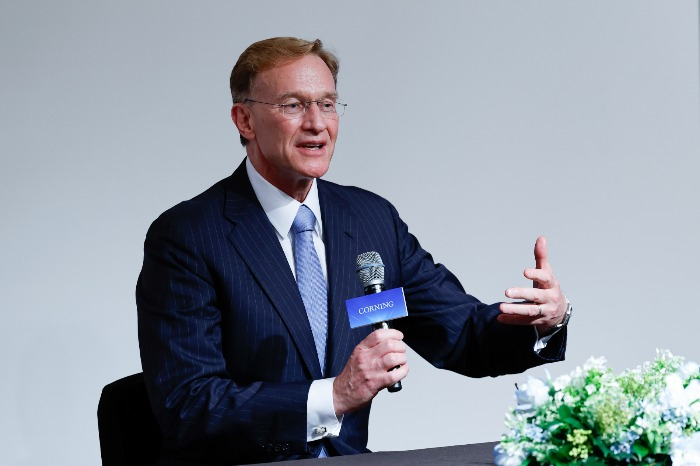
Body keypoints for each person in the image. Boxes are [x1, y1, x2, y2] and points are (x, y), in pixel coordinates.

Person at [137, 37, 571, 465]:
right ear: (244, 120)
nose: (316, 123)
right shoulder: (187, 237)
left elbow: (462, 335)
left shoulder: (369, 220)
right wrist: (336, 395)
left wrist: (541, 322)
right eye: (293, 105)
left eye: (327, 104)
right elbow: (188, 406)